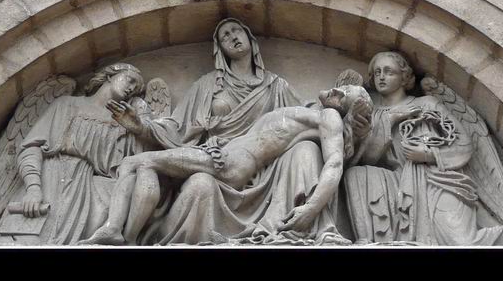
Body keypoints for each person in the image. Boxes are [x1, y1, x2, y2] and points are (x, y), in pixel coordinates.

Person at [103, 18, 348, 245]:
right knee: (198, 184)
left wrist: (354, 122)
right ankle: (123, 237)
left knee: (306, 149)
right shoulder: (207, 86)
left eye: (236, 31)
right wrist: (141, 127)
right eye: (225, 36)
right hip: (216, 157)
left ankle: (120, 234)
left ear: (250, 38)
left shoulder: (278, 87)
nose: (232, 37)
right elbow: (177, 128)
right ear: (220, 49)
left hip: (263, 170)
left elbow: (320, 128)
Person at [79, 84, 371, 245]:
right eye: (343, 85)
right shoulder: (313, 113)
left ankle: (116, 231)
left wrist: (310, 209)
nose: (337, 89)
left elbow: (335, 164)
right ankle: (126, 236)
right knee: (145, 166)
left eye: (346, 92)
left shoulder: (329, 118)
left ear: (345, 107)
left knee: (133, 161)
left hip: (230, 164)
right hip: (222, 155)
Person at [344, 51, 503, 245]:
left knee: (461, 242)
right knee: (355, 174)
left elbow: (464, 143)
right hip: (397, 181)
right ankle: (371, 243)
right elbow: (367, 159)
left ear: (404, 77)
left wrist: (429, 154)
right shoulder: (374, 115)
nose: (381, 77)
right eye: (377, 72)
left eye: (389, 72)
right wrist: (389, 120)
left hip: (436, 180)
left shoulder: (427, 104)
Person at [13, 62, 150, 244]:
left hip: (92, 189)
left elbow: (139, 162)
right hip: (51, 181)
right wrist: (33, 188)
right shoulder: (66, 105)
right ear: (110, 76)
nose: (131, 88)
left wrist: (139, 126)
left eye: (136, 88)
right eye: (130, 80)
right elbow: (31, 147)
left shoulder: (123, 124)